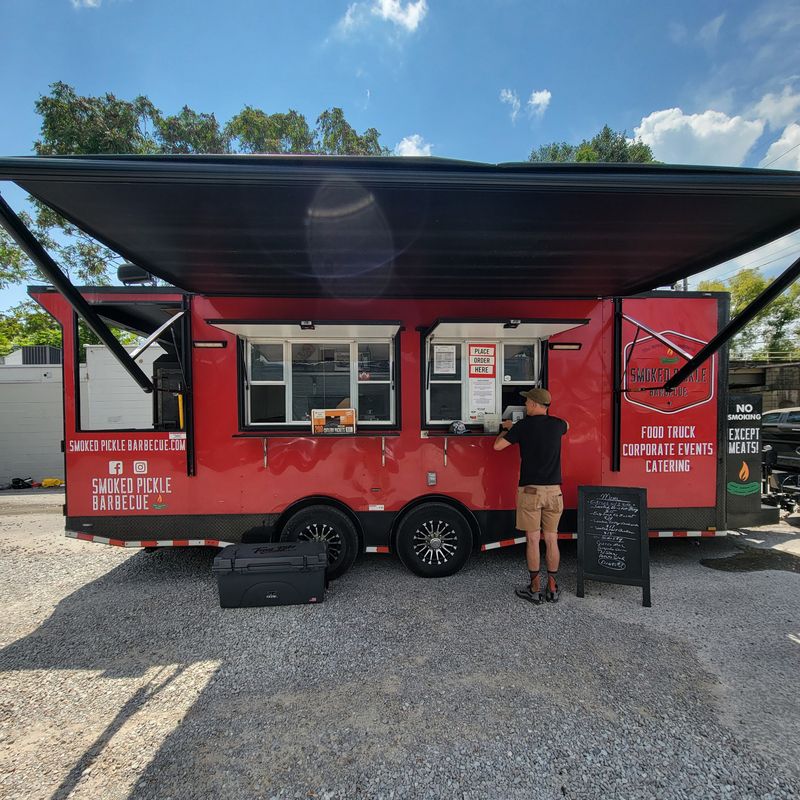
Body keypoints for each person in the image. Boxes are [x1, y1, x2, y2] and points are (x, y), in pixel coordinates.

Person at [493, 387, 568, 604]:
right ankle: (552, 588)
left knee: (533, 540)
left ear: (534, 404)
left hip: (531, 492)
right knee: (552, 539)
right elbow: (567, 425)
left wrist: (506, 429)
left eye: (527, 402)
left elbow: (497, 446)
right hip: (554, 492)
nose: (525, 405)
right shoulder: (558, 425)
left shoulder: (523, 427)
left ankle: (535, 589)